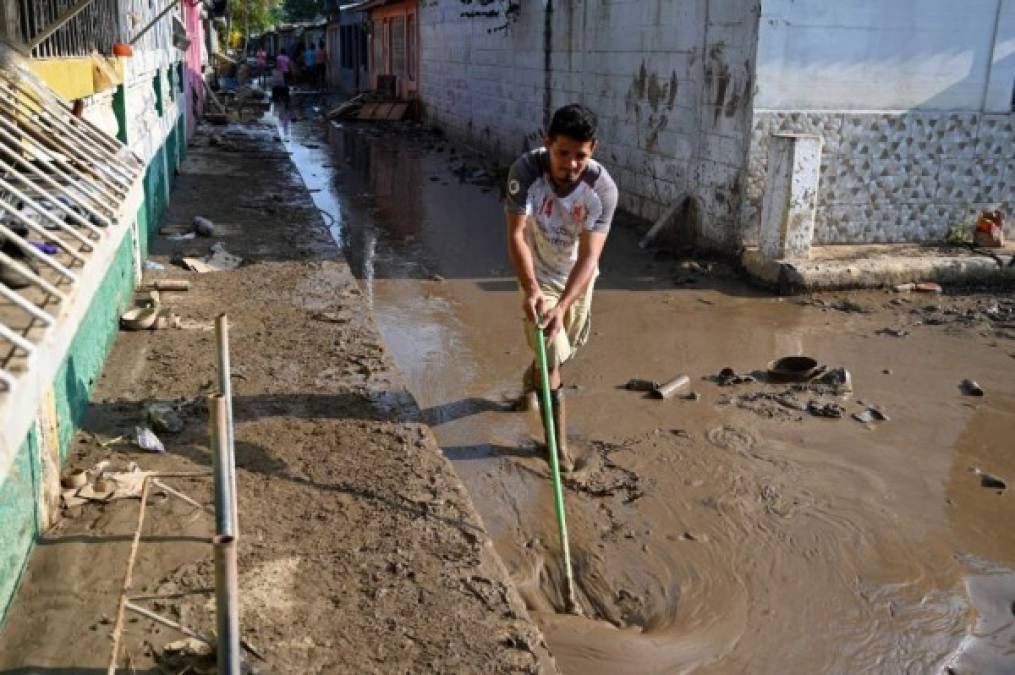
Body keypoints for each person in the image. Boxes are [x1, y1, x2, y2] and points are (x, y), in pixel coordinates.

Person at [504, 103, 618, 470]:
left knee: (564, 351)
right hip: (538, 276)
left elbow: (589, 257)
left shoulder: (602, 190)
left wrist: (564, 305)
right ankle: (557, 449)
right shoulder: (524, 172)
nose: (570, 165)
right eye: (562, 153)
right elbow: (516, 234)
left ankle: (532, 376)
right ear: (547, 142)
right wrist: (532, 289)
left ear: (593, 149)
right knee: (554, 356)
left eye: (579, 156)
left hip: (576, 281)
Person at [270, 50, 291, 140]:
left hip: (278, 87)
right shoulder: (286, 60)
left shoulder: (274, 69)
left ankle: (280, 131)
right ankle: (281, 130)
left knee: (279, 106)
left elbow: (273, 81)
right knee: (282, 107)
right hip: (281, 86)